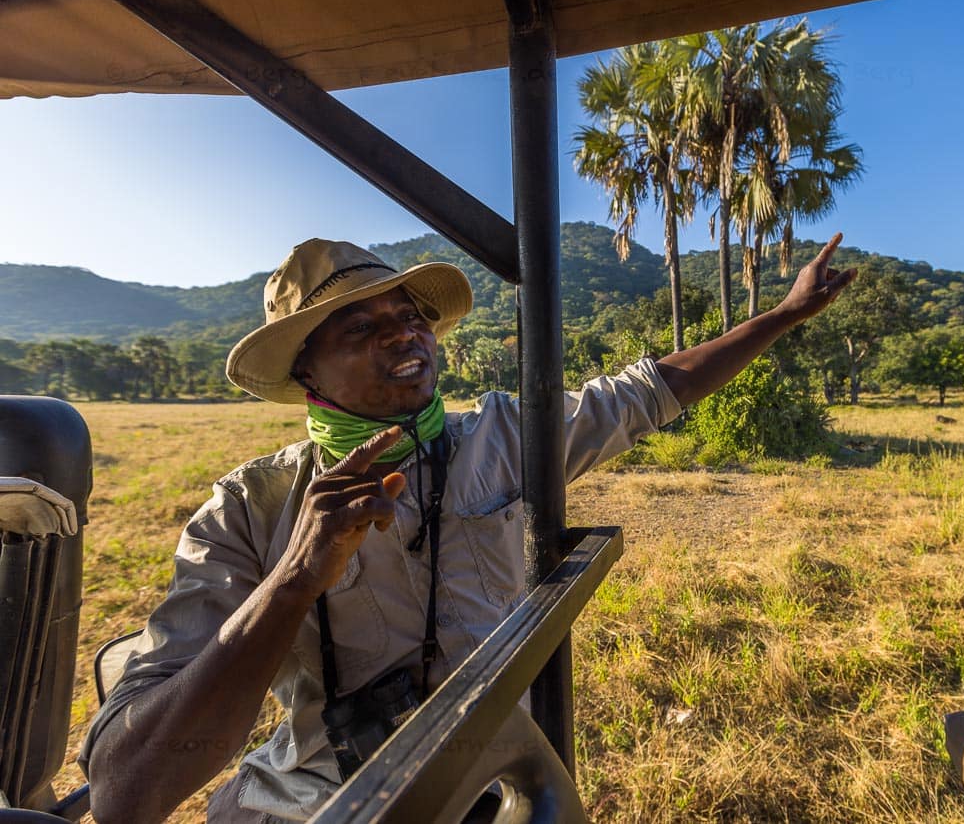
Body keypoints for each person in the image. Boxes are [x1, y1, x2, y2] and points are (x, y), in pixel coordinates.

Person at [81, 235, 857, 823]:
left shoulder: (497, 439)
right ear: (306, 374)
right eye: (361, 326)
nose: (404, 334)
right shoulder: (248, 508)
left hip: (487, 783)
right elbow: (126, 789)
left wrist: (783, 316)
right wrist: (294, 577)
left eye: (410, 315)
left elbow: (646, 393)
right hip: (313, 797)